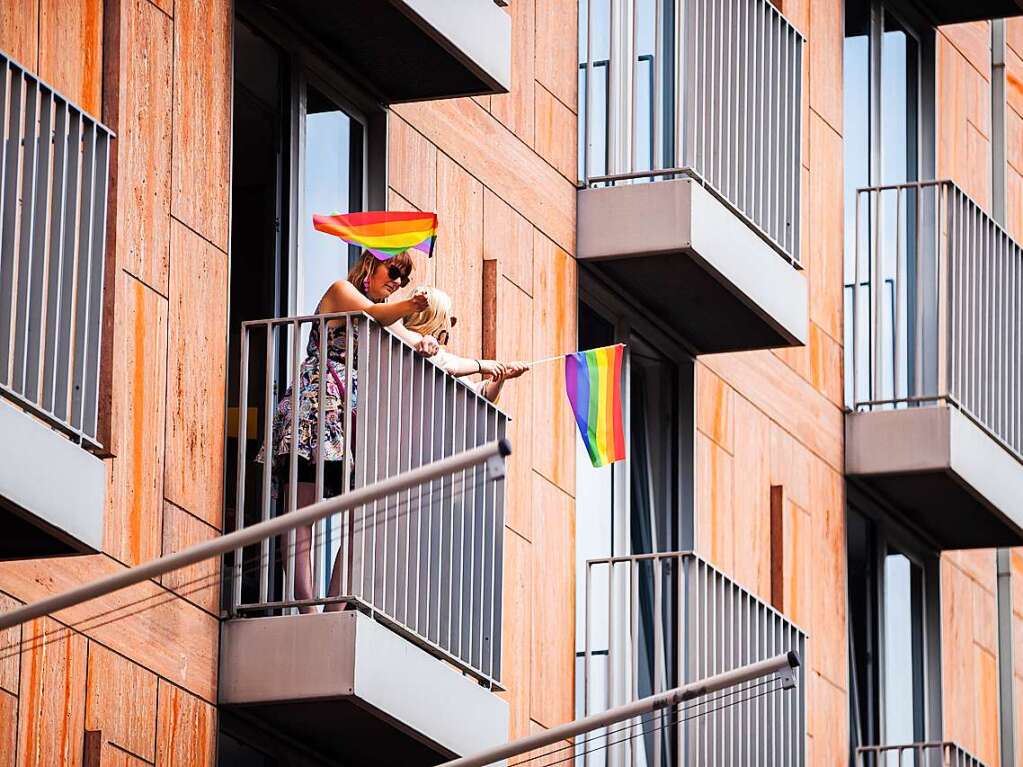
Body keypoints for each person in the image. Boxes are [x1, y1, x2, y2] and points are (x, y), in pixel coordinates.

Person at [259, 250, 437, 613]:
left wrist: (471, 361)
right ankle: (308, 609)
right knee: (300, 512)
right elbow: (374, 313)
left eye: (403, 278)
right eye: (394, 271)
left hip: (347, 419)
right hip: (314, 409)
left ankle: (333, 609)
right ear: (371, 264)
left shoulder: (385, 317)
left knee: (361, 517)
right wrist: (406, 307)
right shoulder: (341, 291)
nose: (397, 282)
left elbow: (410, 339)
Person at [403, 286, 529, 402]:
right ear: (432, 320)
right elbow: (449, 364)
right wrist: (481, 365)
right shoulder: (409, 344)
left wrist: (501, 376)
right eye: (448, 320)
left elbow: (480, 394)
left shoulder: (433, 352)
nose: (449, 327)